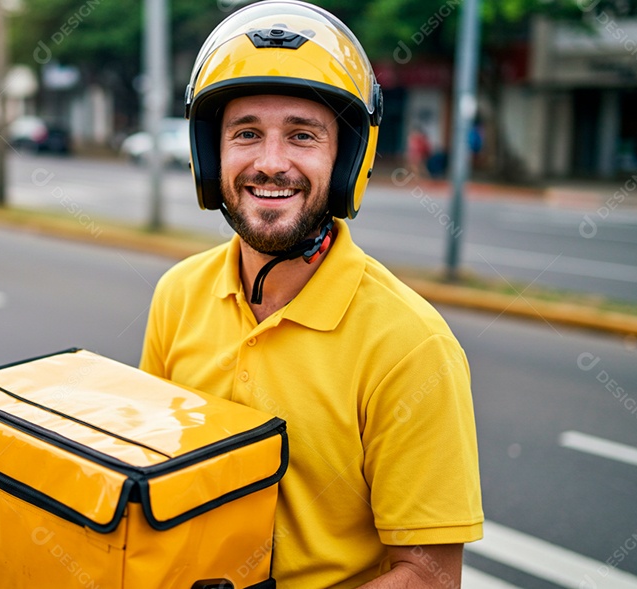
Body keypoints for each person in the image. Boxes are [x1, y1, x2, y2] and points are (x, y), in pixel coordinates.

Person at [139, 2, 483, 587]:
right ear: (210, 155)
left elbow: (430, 577)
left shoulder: (411, 345)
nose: (271, 164)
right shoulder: (177, 293)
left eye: (303, 135)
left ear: (347, 160)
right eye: (246, 133)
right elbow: (146, 471)